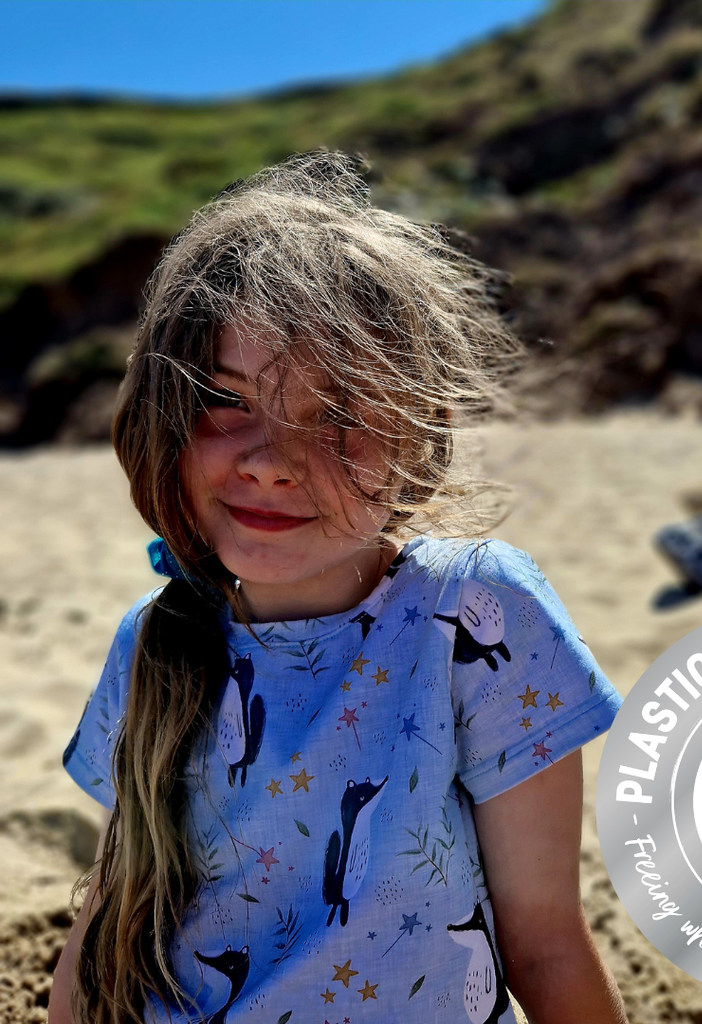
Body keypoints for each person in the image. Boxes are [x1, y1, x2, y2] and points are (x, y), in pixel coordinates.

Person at [49, 151, 628, 1024]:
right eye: (227, 400)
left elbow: (544, 942)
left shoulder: (470, 614)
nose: (271, 462)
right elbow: (105, 928)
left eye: (339, 415)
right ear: (164, 415)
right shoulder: (153, 640)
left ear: (417, 445)